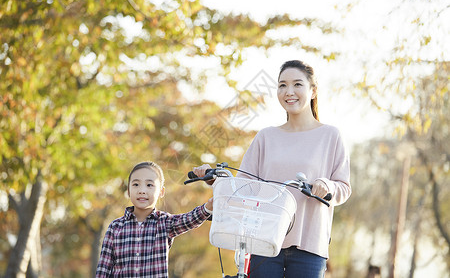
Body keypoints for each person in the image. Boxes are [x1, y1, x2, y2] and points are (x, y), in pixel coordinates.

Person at [193, 60, 351, 278]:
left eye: (297, 84)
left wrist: (326, 185)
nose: (289, 92)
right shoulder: (266, 137)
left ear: (313, 91)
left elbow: (343, 187)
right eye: (282, 85)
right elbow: (242, 188)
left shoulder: (330, 136)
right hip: (263, 240)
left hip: (309, 243)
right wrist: (214, 179)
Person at [96, 161, 213, 278]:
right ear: (128, 190)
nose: (142, 190)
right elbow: (104, 268)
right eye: (136, 184)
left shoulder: (164, 223)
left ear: (161, 192)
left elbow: (190, 219)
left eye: (149, 185)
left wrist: (207, 207)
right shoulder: (115, 227)